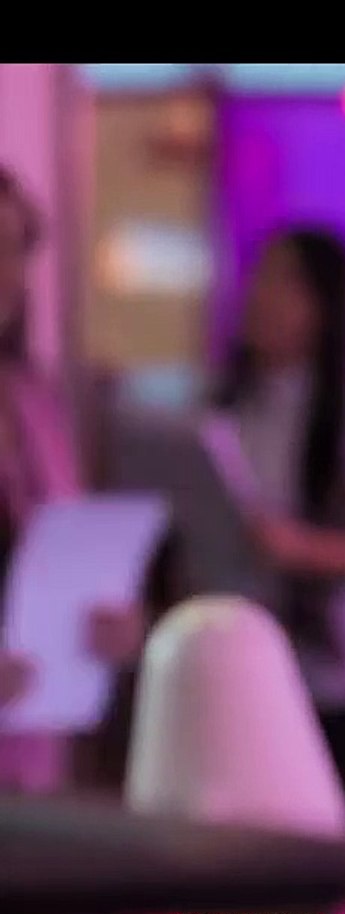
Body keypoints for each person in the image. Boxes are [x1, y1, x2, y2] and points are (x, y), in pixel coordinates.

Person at [208, 226, 345, 796]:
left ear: (324, 307)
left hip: (337, 672)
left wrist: (297, 547)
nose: (260, 296)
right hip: (244, 657)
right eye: (259, 278)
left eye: (285, 283)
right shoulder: (231, 405)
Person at [0, 166, 147, 794]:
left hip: (33, 752)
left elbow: (61, 556)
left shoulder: (35, 400)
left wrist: (112, 622)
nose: (8, 274)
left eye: (16, 250)